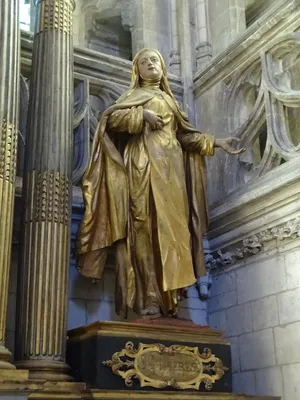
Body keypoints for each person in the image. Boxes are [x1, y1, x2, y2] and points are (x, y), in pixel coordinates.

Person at [76, 48, 244, 318]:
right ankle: (149, 298)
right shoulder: (132, 97)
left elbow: (185, 138)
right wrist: (141, 116)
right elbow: (111, 119)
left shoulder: (171, 101)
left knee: (172, 234)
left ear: (162, 67)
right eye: (144, 62)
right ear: (137, 71)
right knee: (142, 231)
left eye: (154, 60)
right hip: (141, 167)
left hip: (171, 175)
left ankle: (170, 299)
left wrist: (216, 142)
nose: (150, 64)